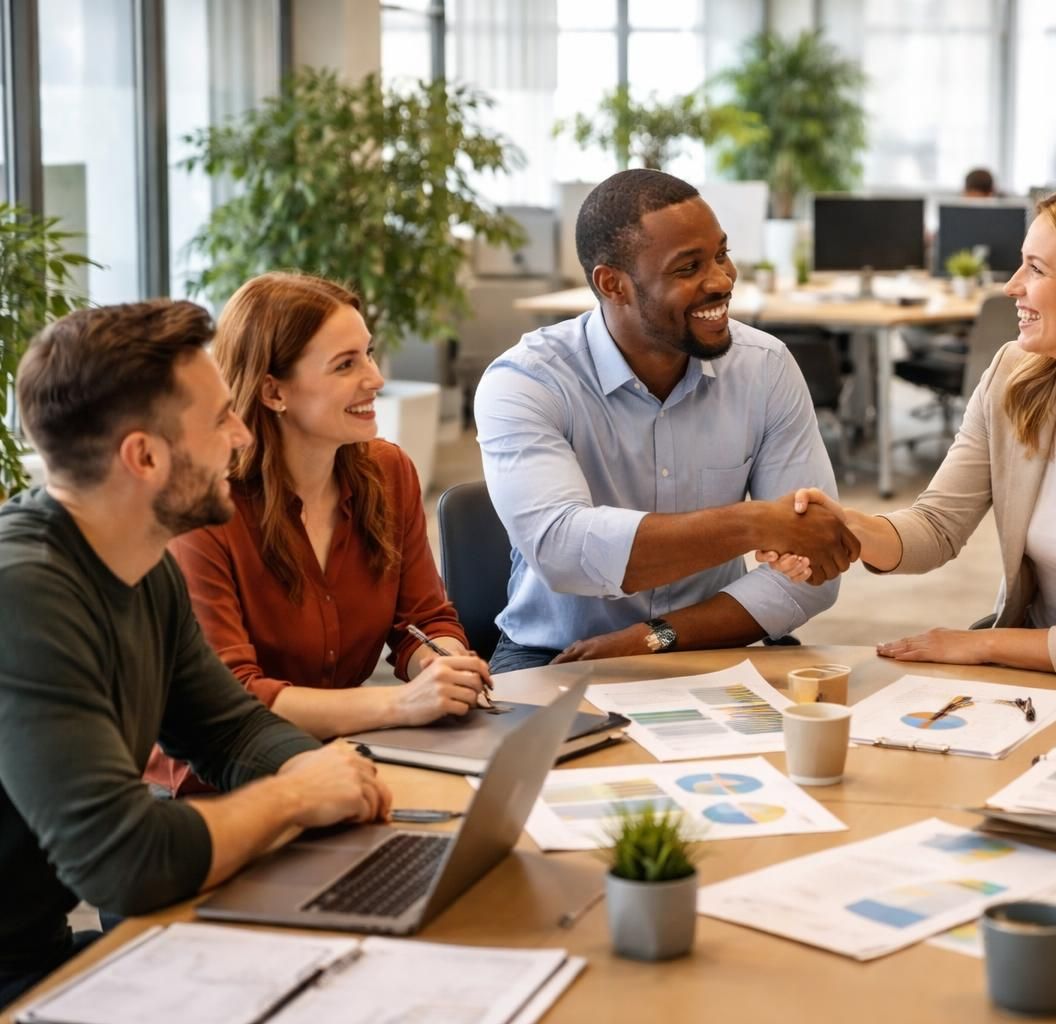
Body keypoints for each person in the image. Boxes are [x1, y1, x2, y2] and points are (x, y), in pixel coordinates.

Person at [0, 301, 391, 1004]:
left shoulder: (140, 564)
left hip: (40, 950)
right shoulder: (23, 597)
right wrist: (300, 793)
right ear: (144, 456)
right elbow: (126, 861)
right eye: (218, 420)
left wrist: (325, 768)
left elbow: (228, 726)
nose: (243, 436)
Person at [768, 183, 1056, 684]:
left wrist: (980, 645)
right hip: (1039, 675)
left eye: (1036, 269)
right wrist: (844, 527)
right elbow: (937, 527)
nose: (1011, 286)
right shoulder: (1014, 376)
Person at [473, 169, 859, 671]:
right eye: (687, 268)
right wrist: (754, 523)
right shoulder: (526, 381)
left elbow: (814, 570)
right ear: (613, 285)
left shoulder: (764, 366)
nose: (721, 280)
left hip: (707, 642)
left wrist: (659, 636)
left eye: (721, 254)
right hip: (552, 654)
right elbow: (563, 549)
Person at [144, 273, 491, 798]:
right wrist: (401, 704)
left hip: (341, 756)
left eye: (369, 354)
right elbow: (233, 701)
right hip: (213, 784)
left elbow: (422, 619)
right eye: (345, 364)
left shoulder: (387, 471)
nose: (374, 378)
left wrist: (442, 664)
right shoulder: (207, 507)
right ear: (273, 391)